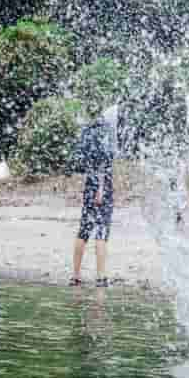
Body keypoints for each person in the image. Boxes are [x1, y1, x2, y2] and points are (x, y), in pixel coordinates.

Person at [71, 110, 117, 287]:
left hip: (89, 184)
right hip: (101, 187)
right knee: (101, 230)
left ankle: (75, 275)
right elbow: (105, 163)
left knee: (84, 229)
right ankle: (101, 276)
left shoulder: (86, 132)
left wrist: (93, 186)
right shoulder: (105, 132)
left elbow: (82, 161)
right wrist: (101, 189)